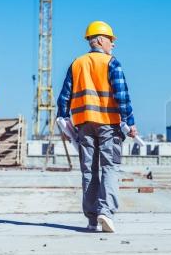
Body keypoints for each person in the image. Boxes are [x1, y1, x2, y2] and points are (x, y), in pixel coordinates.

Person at [57, 21, 137, 232]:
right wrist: (130, 122)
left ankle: (92, 219)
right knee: (110, 167)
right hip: (109, 125)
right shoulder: (112, 63)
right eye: (112, 40)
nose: (113, 45)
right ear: (101, 40)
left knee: (88, 171)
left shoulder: (77, 63)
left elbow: (64, 97)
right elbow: (122, 95)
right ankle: (106, 212)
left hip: (83, 125)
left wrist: (63, 121)